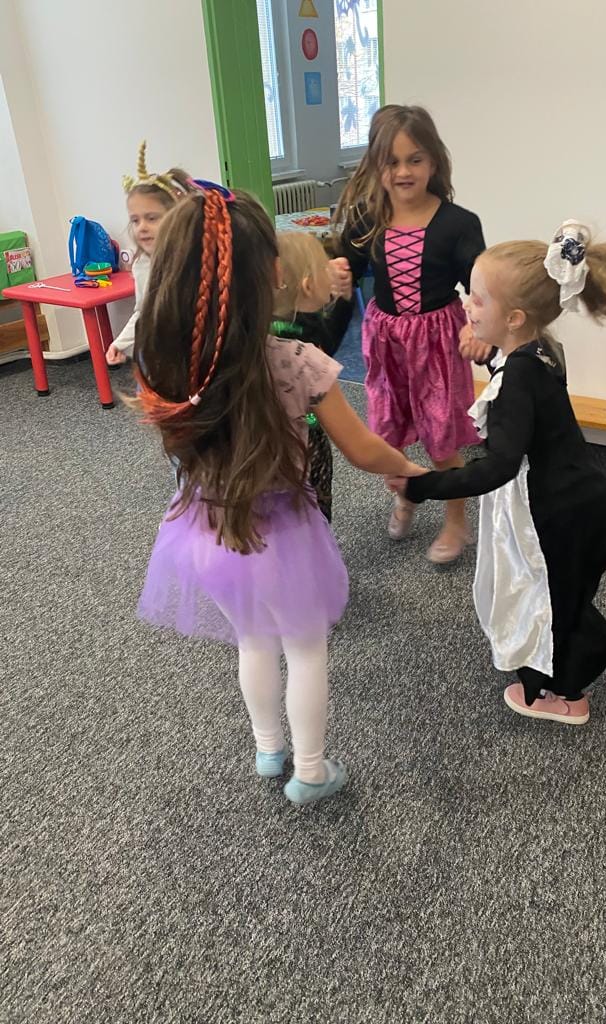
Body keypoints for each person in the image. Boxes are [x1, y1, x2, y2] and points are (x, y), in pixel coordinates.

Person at [131, 183, 425, 804]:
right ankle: (310, 770)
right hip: (286, 534)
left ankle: (269, 749)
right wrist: (408, 468)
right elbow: (362, 449)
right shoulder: (298, 361)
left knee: (253, 639)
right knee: (306, 647)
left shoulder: (169, 367)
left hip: (206, 533)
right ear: (271, 274)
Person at [389, 222, 606, 724]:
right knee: (565, 590)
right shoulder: (541, 350)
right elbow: (523, 397)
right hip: (583, 496)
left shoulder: (517, 378)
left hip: (560, 512)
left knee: (545, 596)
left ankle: (565, 694)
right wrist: (491, 351)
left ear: (514, 318)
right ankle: (573, 653)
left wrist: (422, 484)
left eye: (478, 299)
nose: (467, 306)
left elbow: (497, 467)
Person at [330, 105, 485, 564]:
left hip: (437, 344)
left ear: (434, 161)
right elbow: (345, 266)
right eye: (392, 162)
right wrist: (336, 273)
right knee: (388, 435)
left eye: (415, 160)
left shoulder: (458, 223)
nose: (403, 172)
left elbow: (480, 286)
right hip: (386, 343)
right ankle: (406, 494)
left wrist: (478, 327)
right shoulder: (366, 219)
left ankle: (456, 520)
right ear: (376, 166)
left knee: (441, 440)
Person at [271, 231, 355, 522]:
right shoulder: (297, 334)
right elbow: (325, 350)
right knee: (313, 505)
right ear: (308, 285)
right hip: (305, 436)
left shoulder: (283, 322)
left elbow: (326, 344)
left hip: (275, 436)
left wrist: (344, 299)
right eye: (324, 267)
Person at [106, 141, 191, 365]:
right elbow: (143, 311)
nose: (141, 227)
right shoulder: (143, 264)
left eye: (151, 218)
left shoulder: (191, 257)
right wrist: (120, 343)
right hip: (160, 355)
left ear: (176, 217)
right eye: (135, 220)